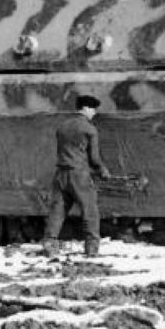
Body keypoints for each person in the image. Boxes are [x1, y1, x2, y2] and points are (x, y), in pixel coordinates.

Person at [43, 95, 111, 257]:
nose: (94, 113)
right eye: (93, 109)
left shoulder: (62, 126)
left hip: (61, 174)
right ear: (86, 108)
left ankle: (50, 248)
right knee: (90, 211)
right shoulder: (89, 129)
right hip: (79, 175)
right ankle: (91, 250)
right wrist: (102, 170)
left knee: (57, 212)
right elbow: (94, 158)